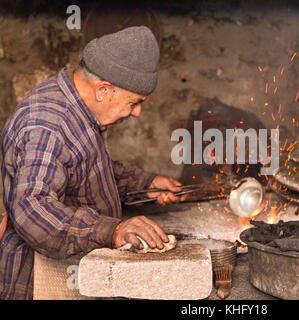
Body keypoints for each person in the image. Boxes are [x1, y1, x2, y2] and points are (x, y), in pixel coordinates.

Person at [0, 26, 185, 299]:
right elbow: (33, 210)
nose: (137, 113)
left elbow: (81, 170)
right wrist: (113, 229)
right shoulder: (48, 124)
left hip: (76, 269)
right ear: (103, 90)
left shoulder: (79, 109)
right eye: (134, 102)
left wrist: (143, 184)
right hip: (40, 281)